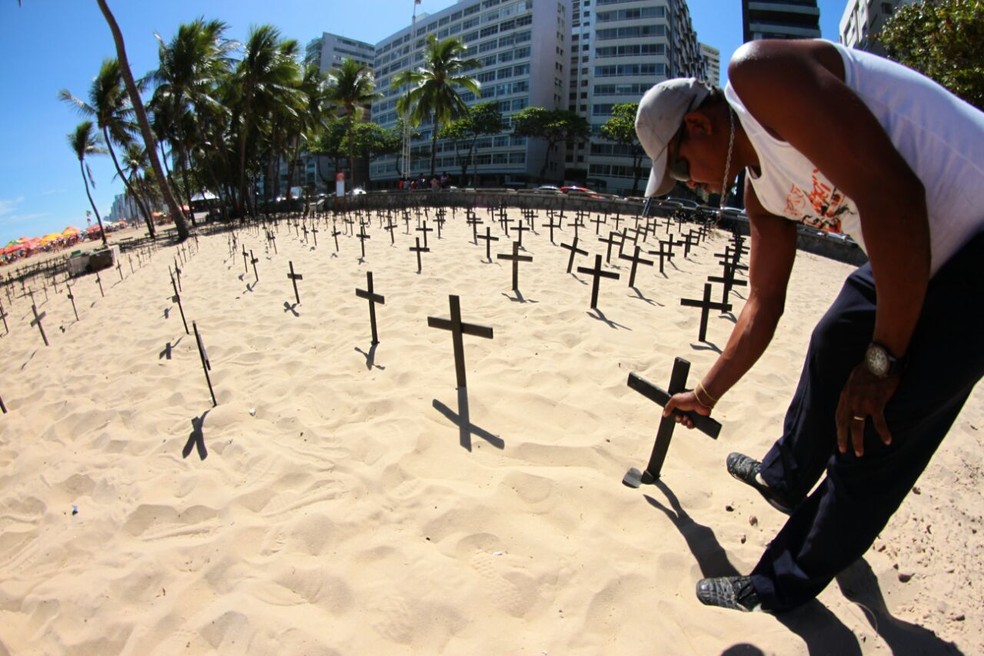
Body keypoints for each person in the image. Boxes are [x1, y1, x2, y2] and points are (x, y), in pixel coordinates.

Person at [635, 38, 984, 613]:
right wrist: (705, 394)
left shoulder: (760, 78)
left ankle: (781, 584)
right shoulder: (762, 193)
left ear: (698, 125)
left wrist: (882, 362)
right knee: (835, 337)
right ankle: (788, 476)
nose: (690, 184)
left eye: (680, 167)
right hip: (912, 245)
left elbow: (895, 194)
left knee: (877, 430)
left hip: (969, 243)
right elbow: (762, 304)